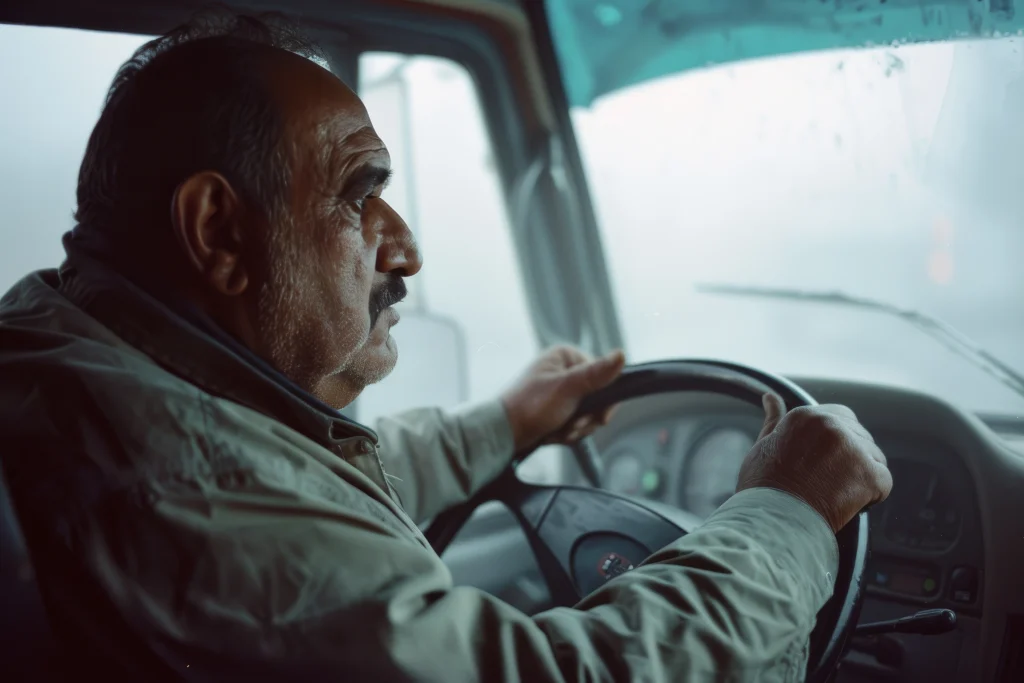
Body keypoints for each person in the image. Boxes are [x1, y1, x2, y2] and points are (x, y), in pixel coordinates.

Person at [0, 9, 892, 682]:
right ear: (219, 231)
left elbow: (290, 491)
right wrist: (788, 514)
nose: (409, 250)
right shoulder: (173, 493)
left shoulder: (75, 351)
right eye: (359, 193)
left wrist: (499, 425)